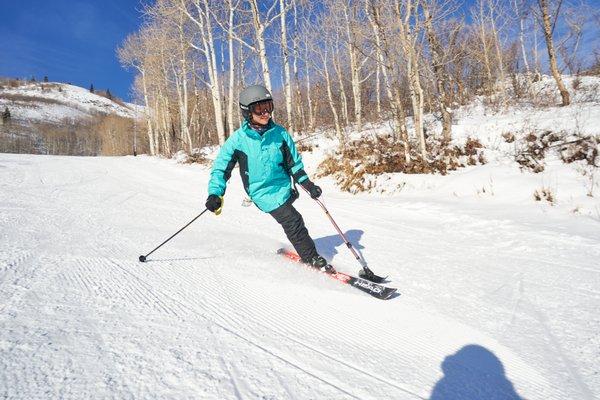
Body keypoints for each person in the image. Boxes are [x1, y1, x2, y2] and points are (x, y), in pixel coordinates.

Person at [205, 84, 334, 273]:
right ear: (247, 111)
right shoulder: (238, 140)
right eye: (259, 109)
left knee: (291, 218)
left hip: (284, 188)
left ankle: (302, 248)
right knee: (293, 220)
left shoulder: (280, 134)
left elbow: (294, 164)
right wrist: (215, 193)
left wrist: (308, 184)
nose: (265, 113)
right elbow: (220, 169)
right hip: (261, 192)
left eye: (268, 106)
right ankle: (311, 258)